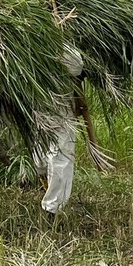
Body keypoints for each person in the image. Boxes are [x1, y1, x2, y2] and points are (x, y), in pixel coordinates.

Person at [34, 46, 83, 217]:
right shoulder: (40, 46)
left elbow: (77, 76)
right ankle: (49, 192)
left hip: (58, 105)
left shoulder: (69, 53)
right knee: (46, 157)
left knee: (59, 156)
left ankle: (52, 209)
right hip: (44, 104)